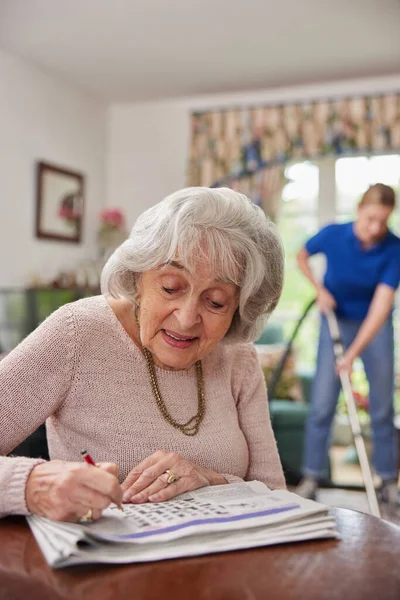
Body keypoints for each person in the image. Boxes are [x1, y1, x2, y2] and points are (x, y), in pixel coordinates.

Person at [0, 187, 286, 522]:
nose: (186, 317)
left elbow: (276, 495)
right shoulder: (77, 332)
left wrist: (211, 479)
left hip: (222, 566)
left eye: (216, 301)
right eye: (170, 287)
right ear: (137, 277)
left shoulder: (238, 357)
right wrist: (34, 485)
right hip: (106, 567)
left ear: (239, 308)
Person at [295, 183, 400, 505]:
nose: (375, 228)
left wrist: (352, 356)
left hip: (375, 326)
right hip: (335, 321)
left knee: (382, 407)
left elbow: (381, 308)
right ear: (358, 210)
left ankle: (387, 481)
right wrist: (318, 288)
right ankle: (311, 476)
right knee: (323, 404)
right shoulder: (333, 234)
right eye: (370, 218)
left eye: (382, 221)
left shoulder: (394, 248)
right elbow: (302, 255)